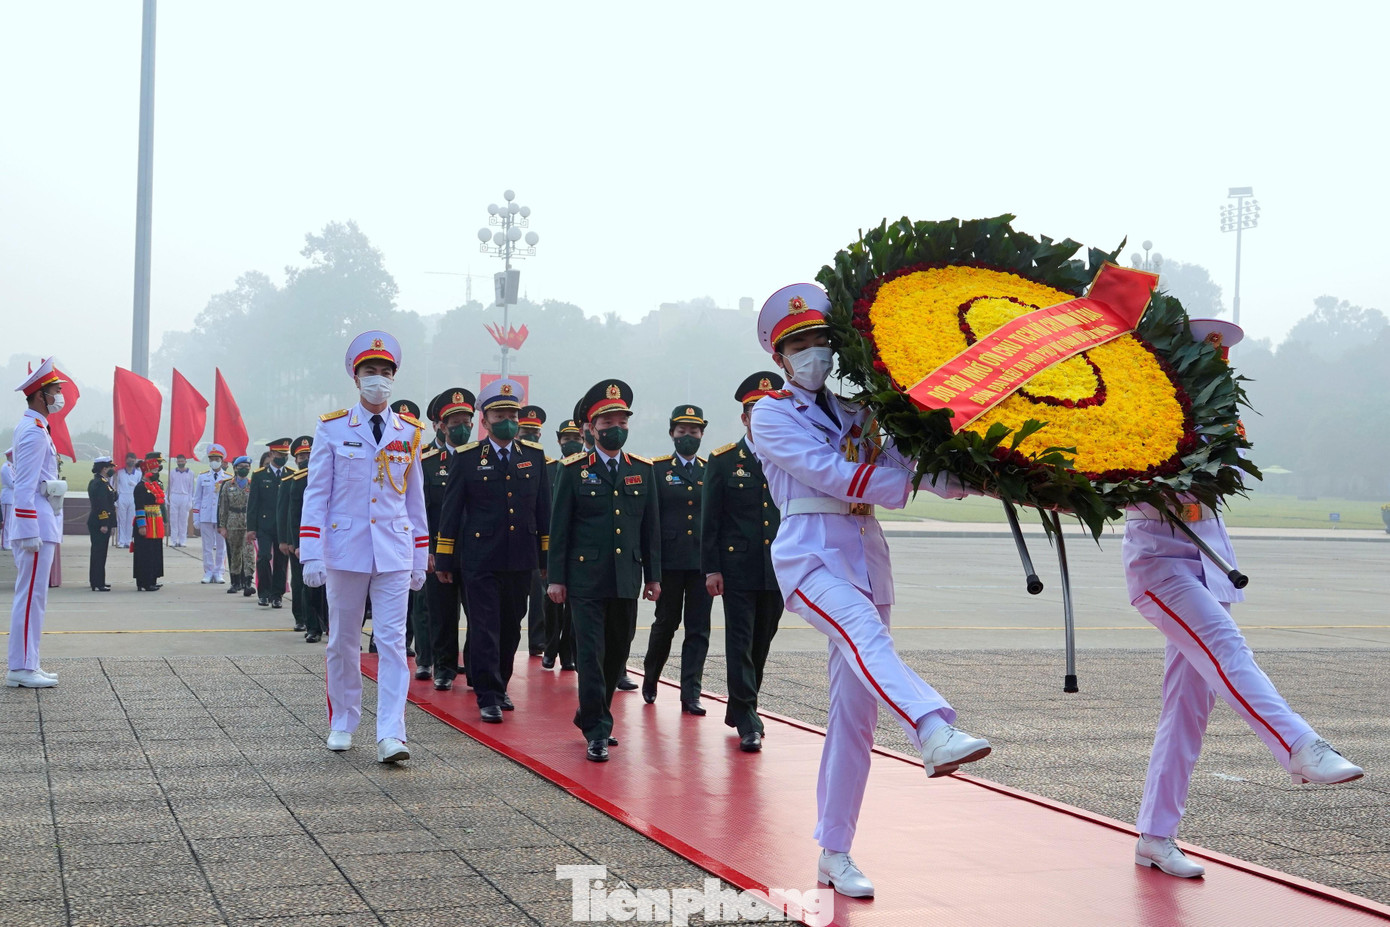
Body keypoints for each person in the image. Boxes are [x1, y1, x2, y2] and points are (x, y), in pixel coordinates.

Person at [750, 283, 992, 898]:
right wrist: (896, 482)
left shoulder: (862, 413)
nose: (813, 354)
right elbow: (827, 473)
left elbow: (914, 471)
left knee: (852, 718)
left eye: (820, 342)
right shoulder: (772, 413)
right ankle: (932, 728)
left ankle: (835, 851)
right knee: (862, 633)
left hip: (866, 558)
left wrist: (991, 479)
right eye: (798, 345)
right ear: (779, 358)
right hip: (810, 556)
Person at [1127, 318, 1363, 879]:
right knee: (1229, 649)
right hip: (1160, 565)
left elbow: (1224, 479)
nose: (1217, 364)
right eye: (1205, 355)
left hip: (1210, 567)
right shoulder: (1142, 410)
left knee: (1187, 711)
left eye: (1220, 358)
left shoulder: (1214, 417)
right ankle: (1302, 748)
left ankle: (1155, 837)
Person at [299, 330, 427, 764]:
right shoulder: (333, 427)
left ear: (394, 378)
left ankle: (392, 733)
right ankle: (343, 720)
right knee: (343, 640)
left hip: (393, 548)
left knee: (392, 643)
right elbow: (316, 492)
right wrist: (312, 549)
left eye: (385, 372)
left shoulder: (408, 432)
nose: (378, 380)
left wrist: (420, 556)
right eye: (370, 372)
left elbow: (415, 500)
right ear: (356, 379)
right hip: (345, 548)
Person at [547, 380, 660, 762]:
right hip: (585, 579)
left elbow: (650, 529)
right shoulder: (574, 470)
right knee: (591, 654)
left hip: (625, 577)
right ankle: (598, 729)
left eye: (623, 420)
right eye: (608, 420)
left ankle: (591, 713)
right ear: (591, 428)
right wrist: (556, 579)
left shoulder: (643, 471)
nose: (617, 427)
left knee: (618, 651)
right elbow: (559, 528)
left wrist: (654, 576)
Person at [435, 380, 550, 724]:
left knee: (512, 627)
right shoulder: (469, 458)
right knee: (484, 625)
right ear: (484, 420)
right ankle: (487, 694)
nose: (508, 421)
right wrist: (444, 558)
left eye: (513, 414)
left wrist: (546, 561)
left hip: (521, 557)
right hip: (480, 557)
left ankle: (500, 685)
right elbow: (451, 512)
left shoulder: (533, 456)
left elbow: (543, 511)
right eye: (500, 414)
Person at [703, 372, 786, 753]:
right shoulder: (723, 461)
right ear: (745, 418)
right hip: (737, 568)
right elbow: (711, 521)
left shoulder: (789, 456)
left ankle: (740, 706)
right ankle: (749, 718)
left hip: (780, 568)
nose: (764, 417)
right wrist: (712, 568)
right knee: (739, 643)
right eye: (757, 410)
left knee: (761, 643)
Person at [642, 404, 713, 715]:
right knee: (666, 624)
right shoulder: (657, 470)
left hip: (701, 564)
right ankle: (651, 676)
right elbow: (651, 524)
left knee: (698, 629)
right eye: (682, 431)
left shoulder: (710, 469)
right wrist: (652, 572)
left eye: (694, 432)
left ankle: (691, 693)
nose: (688, 437)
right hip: (669, 563)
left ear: (701, 435)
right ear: (672, 433)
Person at [6, 358, 66, 688]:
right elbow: (24, 486)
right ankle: (21, 667)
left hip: (43, 521)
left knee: (34, 597)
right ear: (41, 396)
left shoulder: (37, 428)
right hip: (35, 525)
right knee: (30, 597)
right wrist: (28, 530)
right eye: (56, 390)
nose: (60, 396)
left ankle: (29, 662)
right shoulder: (33, 432)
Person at [421, 387, 475, 689]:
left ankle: (473, 663)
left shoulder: (481, 459)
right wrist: (426, 550)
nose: (462, 427)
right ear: (441, 426)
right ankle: (444, 667)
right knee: (442, 613)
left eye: (467, 420)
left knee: (478, 614)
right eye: (455, 422)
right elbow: (421, 513)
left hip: (475, 550)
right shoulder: (428, 463)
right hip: (439, 552)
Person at [541, 418, 584, 671]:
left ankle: (568, 652)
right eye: (567, 440)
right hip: (553, 544)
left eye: (576, 440)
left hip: (578, 548)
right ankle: (549, 648)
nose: (572, 444)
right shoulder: (550, 469)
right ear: (559, 441)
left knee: (573, 608)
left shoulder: (583, 469)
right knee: (552, 602)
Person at [277, 435, 326, 642]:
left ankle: (329, 624)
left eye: (309, 454)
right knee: (306, 585)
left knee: (328, 587)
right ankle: (311, 626)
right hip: (303, 542)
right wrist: (292, 542)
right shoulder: (294, 481)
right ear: (296, 459)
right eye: (302, 455)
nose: (306, 458)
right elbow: (290, 515)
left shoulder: (325, 475)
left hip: (327, 540)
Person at [519, 403, 550, 657]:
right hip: (512, 539)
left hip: (534, 540)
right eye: (526, 432)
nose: (531, 437)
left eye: (535, 433)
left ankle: (538, 642)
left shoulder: (544, 462)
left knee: (539, 597)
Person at [248, 438, 293, 609]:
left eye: (285, 455)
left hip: (283, 527)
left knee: (281, 562)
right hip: (264, 525)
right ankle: (264, 593)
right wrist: (251, 528)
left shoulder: (291, 474)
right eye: (280, 454)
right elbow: (253, 504)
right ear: (272, 454)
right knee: (264, 557)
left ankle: (277, 595)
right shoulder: (259, 475)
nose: (283, 457)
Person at [191, 444, 230, 583]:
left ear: (221, 460)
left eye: (217, 459)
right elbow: (197, 499)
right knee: (207, 546)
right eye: (212, 458)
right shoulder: (203, 477)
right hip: (206, 515)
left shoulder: (227, 478)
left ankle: (219, 572)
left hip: (221, 517)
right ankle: (208, 572)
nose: (214, 461)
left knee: (221, 547)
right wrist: (196, 517)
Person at [218, 457, 256, 596]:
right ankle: (235, 582)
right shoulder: (228, 485)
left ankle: (248, 582)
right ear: (235, 468)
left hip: (247, 522)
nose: (244, 468)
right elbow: (223, 507)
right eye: (241, 466)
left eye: (247, 466)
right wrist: (222, 526)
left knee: (248, 553)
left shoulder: (252, 484)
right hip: (232, 521)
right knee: (235, 553)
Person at [132, 453, 166, 591]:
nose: (156, 473)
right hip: (146, 521)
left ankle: (152, 578)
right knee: (145, 552)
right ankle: (144, 581)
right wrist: (142, 525)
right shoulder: (141, 487)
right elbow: (139, 507)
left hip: (155, 521)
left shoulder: (154, 485)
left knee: (155, 551)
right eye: (154, 471)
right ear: (147, 471)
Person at [86, 457, 117, 592]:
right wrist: (104, 523)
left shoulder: (103, 482)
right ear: (104, 468)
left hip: (101, 521)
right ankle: (97, 582)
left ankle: (99, 580)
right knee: (98, 553)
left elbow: (113, 497)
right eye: (110, 467)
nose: (112, 470)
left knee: (101, 553)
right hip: (100, 522)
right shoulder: (99, 484)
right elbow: (102, 505)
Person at [167, 454, 195, 547]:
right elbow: (169, 486)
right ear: (177, 462)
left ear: (185, 462)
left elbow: (191, 488)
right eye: (179, 462)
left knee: (183, 520)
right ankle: (173, 541)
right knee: (174, 520)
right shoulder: (172, 472)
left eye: (182, 461)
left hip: (185, 496)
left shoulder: (190, 473)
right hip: (175, 496)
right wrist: (167, 497)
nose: (181, 463)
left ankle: (182, 541)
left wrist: (191, 500)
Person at [114, 452, 141, 547]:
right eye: (129, 460)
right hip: (122, 496)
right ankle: (121, 541)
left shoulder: (138, 473)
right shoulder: (120, 472)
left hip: (133, 497)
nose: (131, 462)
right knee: (122, 519)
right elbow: (115, 486)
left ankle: (128, 540)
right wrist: (116, 500)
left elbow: (140, 487)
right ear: (126, 460)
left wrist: (135, 485)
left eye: (133, 461)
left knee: (130, 520)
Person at [0, 448, 14, 550]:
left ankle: (7, 542)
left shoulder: (12, 467)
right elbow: (10, 483)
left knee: (10, 522)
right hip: (7, 496)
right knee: (5, 522)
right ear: (10, 456)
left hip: (12, 496)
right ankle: (4, 543)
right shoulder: (6, 467)